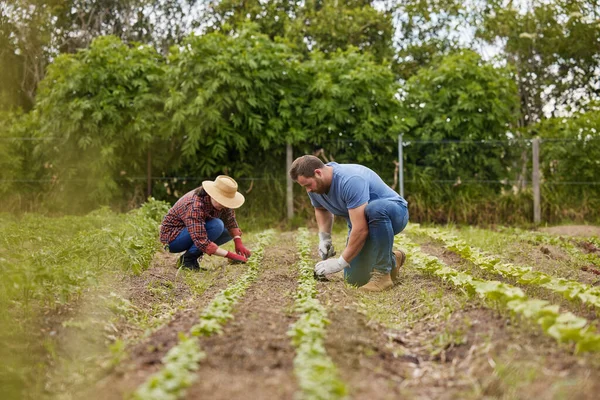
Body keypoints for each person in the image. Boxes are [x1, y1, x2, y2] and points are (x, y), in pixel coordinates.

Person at [289, 155, 409, 292]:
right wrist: (324, 238)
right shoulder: (315, 187)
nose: (308, 190)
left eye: (308, 185)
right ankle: (394, 259)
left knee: (374, 209)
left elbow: (360, 230)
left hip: (394, 213)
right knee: (355, 279)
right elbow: (321, 209)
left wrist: (340, 262)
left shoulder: (350, 180)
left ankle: (383, 275)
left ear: (318, 173)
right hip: (363, 223)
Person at [159, 175, 252, 270]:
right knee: (217, 225)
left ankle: (191, 256)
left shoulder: (223, 204)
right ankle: (187, 261)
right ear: (213, 194)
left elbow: (230, 220)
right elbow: (201, 239)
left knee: (228, 231)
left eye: (226, 202)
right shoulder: (195, 205)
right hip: (173, 239)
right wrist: (231, 255)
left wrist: (238, 241)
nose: (224, 205)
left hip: (193, 232)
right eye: (221, 200)